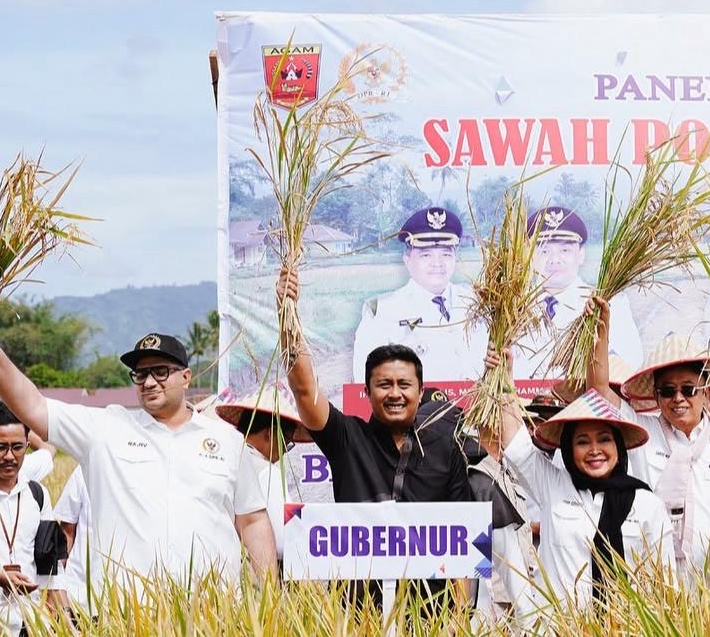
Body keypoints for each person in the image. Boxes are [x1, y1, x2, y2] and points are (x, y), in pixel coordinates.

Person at [0, 333, 274, 593]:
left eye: (161, 371)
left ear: (186, 377)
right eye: (140, 374)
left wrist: (269, 596)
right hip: (130, 616)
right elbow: (33, 406)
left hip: (212, 614)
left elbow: (252, 520)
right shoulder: (105, 430)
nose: (149, 382)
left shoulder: (226, 440)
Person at [278, 266, 473, 613]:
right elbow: (305, 391)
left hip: (429, 615)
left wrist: (459, 616)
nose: (395, 393)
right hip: (357, 613)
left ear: (420, 391)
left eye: (404, 385)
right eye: (384, 385)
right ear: (366, 391)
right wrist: (287, 316)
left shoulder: (446, 451)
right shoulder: (347, 437)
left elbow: (459, 544)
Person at [493, 379, 673, 606]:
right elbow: (516, 446)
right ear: (568, 449)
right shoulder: (552, 485)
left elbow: (666, 582)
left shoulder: (647, 504)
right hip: (561, 629)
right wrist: (504, 378)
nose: (595, 450)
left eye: (604, 439)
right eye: (582, 442)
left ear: (618, 445)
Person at [617, 323, 710, 580]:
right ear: (655, 396)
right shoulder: (644, 436)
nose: (678, 398)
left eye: (688, 389)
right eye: (667, 391)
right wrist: (600, 323)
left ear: (706, 391)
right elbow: (599, 391)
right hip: (664, 584)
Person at [351, 206, 486, 383]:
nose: (437, 263)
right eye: (426, 255)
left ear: (455, 258)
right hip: (415, 410)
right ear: (407, 260)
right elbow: (365, 383)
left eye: (446, 254)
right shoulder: (382, 311)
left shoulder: (478, 302)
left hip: (478, 408)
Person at [512, 206, 643, 379]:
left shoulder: (608, 305)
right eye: (544, 251)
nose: (554, 259)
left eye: (565, 250)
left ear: (581, 255)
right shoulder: (512, 309)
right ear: (529, 257)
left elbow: (629, 366)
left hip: (585, 404)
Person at [214, 384, 306, 562]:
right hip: (252, 582)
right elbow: (282, 542)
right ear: (270, 434)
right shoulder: (266, 472)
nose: (283, 453)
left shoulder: (221, 461)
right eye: (286, 444)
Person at [468, 423, 537, 628]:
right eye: (513, 424)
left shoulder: (509, 472)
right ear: (494, 427)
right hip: (494, 602)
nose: (520, 430)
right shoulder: (477, 477)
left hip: (523, 594)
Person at [0, 406, 56, 635]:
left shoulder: (37, 493)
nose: (9, 456)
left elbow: (51, 562)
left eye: (17, 447)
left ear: (27, 446)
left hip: (29, 623)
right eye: (0, 447)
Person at [48, 466, 88, 619]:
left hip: (137, 602)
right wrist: (53, 588)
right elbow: (66, 533)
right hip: (79, 599)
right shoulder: (85, 469)